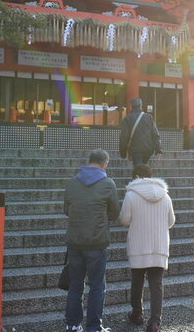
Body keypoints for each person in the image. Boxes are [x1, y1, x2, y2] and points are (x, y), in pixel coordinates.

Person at [63, 149, 119, 332]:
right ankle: (94, 327)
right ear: (105, 164)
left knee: (75, 285)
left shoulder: (72, 183)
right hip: (97, 242)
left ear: (88, 162)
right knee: (96, 286)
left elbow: (66, 210)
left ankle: (72, 325)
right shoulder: (108, 184)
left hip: (75, 242)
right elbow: (114, 214)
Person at [119, 164, 175, 332]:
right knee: (156, 284)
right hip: (159, 245)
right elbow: (171, 221)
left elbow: (124, 220)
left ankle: (137, 314)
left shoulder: (131, 195)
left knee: (137, 281)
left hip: (139, 245)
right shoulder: (165, 196)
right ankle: (154, 322)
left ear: (136, 176)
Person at [120, 97, 162, 168]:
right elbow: (155, 134)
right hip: (148, 149)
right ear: (141, 105)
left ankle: (140, 177)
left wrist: (123, 154)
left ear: (131, 106)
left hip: (135, 150)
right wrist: (158, 150)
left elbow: (124, 137)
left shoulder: (127, 118)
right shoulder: (149, 117)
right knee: (144, 167)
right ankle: (144, 177)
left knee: (138, 169)